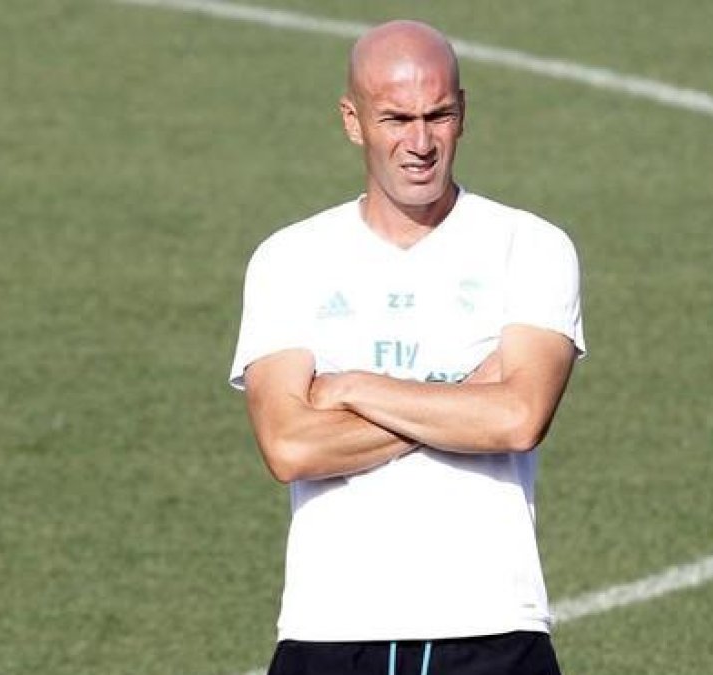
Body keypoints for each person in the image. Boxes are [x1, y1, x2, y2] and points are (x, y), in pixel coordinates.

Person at [228, 19, 585, 675]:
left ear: (462, 112)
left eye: (438, 115)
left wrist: (355, 388)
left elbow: (517, 418)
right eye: (396, 118)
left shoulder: (530, 248)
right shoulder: (290, 259)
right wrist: (465, 397)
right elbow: (292, 446)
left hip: (494, 629)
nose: (420, 142)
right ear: (352, 119)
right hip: (330, 630)